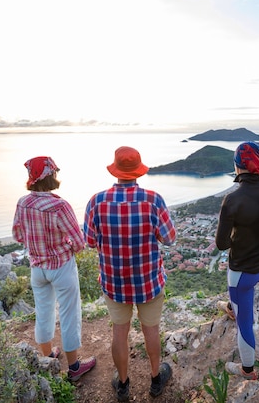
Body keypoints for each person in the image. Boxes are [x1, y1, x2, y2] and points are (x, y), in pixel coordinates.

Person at [83, 146, 177, 401]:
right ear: (138, 171)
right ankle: (156, 379)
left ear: (116, 170)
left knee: (119, 332)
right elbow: (169, 238)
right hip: (148, 281)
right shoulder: (153, 200)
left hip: (115, 283)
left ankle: (123, 384)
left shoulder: (97, 201)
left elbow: (90, 241)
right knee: (151, 331)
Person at [12, 156, 96, 382]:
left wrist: (37, 245)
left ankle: (48, 356)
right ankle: (75, 366)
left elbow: (17, 235)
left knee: (43, 311)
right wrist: (64, 246)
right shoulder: (60, 206)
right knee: (69, 314)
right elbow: (79, 242)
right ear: (51, 176)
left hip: (37, 267)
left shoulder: (23, 202)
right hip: (61, 266)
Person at [215, 142, 259, 380]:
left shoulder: (232, 199)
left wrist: (240, 235)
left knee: (245, 322)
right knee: (239, 298)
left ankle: (247, 370)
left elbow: (222, 244)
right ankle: (232, 307)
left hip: (243, 274)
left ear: (237, 166)